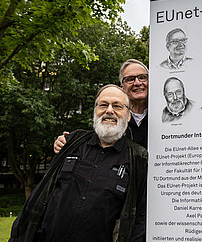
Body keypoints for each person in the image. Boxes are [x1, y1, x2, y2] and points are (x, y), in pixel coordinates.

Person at [10, 84, 148, 242]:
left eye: (117, 106)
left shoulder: (138, 158)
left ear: (128, 116)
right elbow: (42, 191)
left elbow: (139, 217)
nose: (109, 110)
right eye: (103, 105)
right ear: (95, 111)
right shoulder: (72, 142)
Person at [54, 59, 149, 152]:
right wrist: (68, 141)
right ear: (122, 88)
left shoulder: (161, 116)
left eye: (142, 77)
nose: (137, 83)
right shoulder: (112, 116)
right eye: (130, 79)